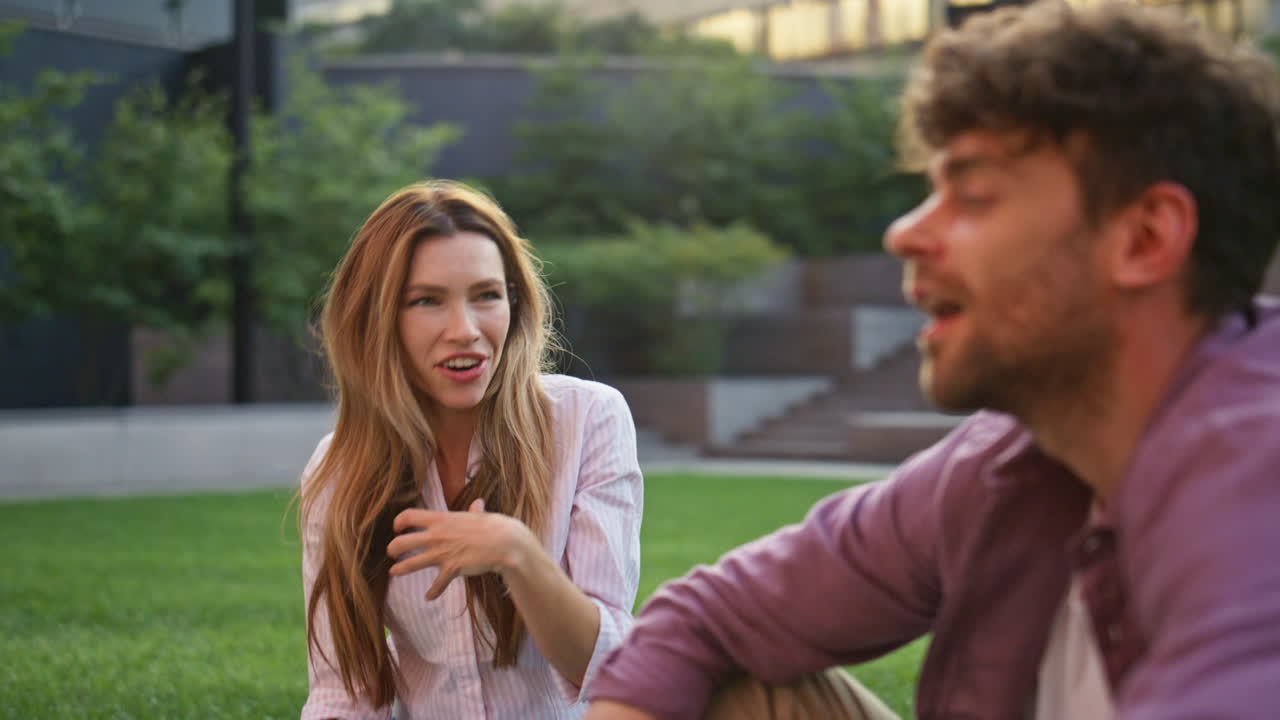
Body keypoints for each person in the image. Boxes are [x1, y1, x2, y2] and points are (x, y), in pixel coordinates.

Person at [586, 2, 1280, 719]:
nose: (904, 233)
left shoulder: (1259, 487)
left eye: (973, 195)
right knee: (748, 688)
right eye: (931, 192)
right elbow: (706, 618)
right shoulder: (1007, 463)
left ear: (1143, 239)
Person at [298, 180, 643, 719]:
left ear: (514, 301)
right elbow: (344, 693)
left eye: (486, 295)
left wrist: (519, 555)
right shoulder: (340, 468)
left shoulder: (588, 420)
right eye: (427, 301)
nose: (465, 331)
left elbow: (607, 666)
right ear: (378, 318)